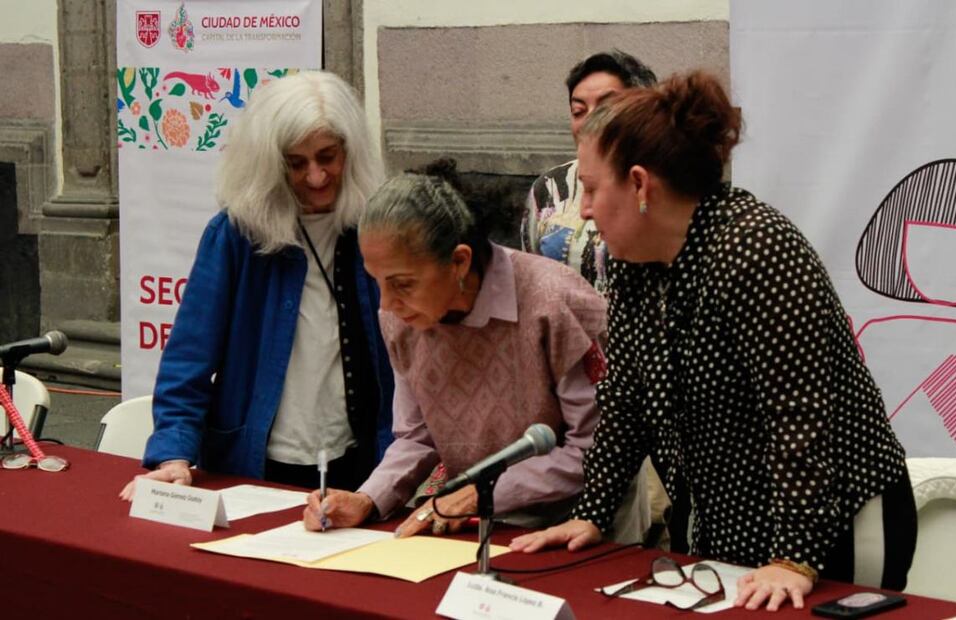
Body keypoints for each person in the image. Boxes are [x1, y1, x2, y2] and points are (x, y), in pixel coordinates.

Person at [510, 71, 917, 612]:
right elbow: (625, 404)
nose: (582, 209)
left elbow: (800, 417)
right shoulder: (636, 265)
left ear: (638, 184)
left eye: (590, 188)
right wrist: (592, 511)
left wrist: (794, 557)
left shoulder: (756, 248)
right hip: (726, 523)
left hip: (833, 522)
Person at [303, 163, 629, 539]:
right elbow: (415, 435)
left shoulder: (555, 302)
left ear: (459, 261)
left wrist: (481, 492)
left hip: (579, 524)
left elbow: (595, 447)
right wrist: (369, 498)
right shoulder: (400, 316)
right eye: (378, 283)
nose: (388, 303)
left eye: (402, 284)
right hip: (472, 521)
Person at [120, 71, 393, 498]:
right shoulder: (235, 235)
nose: (317, 176)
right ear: (269, 161)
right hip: (255, 464)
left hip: (359, 463)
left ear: (350, 153)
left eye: (328, 157)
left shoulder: (373, 229)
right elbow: (189, 358)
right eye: (296, 162)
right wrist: (173, 454)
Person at [522, 50, 656, 292]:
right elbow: (529, 282)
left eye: (606, 108)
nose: (590, 122)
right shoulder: (551, 189)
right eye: (578, 111)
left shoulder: (661, 186)